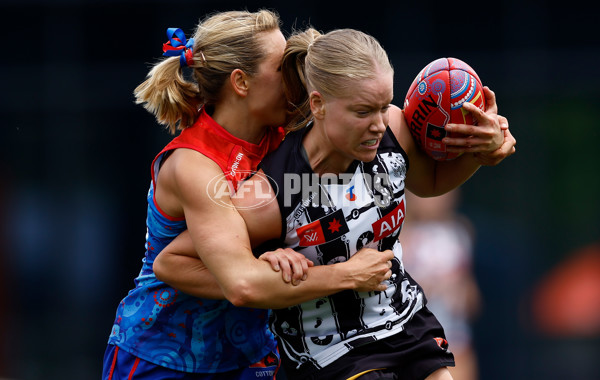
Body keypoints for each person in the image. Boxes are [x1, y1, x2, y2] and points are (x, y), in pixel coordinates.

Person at [153, 27, 516, 380]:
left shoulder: (392, 127)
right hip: (328, 353)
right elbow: (179, 263)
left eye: (382, 104)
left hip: (404, 322)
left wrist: (480, 153)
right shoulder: (268, 192)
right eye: (362, 112)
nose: (379, 124)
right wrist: (325, 274)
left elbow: (430, 183)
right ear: (319, 105)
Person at [103, 11, 394, 380]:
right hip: (160, 358)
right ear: (241, 82)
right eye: (283, 68)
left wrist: (469, 141)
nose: (298, 78)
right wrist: (347, 275)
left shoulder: (286, 137)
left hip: (253, 355)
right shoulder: (193, 166)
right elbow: (238, 282)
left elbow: (375, 121)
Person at [401, 189, 481, 380]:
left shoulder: (459, 234)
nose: (436, 199)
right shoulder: (400, 237)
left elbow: (473, 302)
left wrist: (458, 290)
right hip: (414, 343)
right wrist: (425, 288)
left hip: (455, 341)